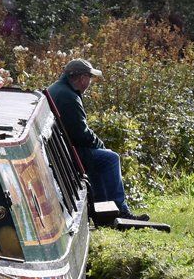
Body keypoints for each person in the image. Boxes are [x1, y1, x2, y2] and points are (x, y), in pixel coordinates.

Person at [48, 58, 145, 219]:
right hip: (67, 152)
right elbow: (81, 134)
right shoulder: (69, 97)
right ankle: (121, 210)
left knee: (100, 157)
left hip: (60, 149)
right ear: (82, 78)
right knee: (110, 158)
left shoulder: (57, 89)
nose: (90, 83)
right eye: (90, 78)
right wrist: (101, 145)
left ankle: (103, 210)